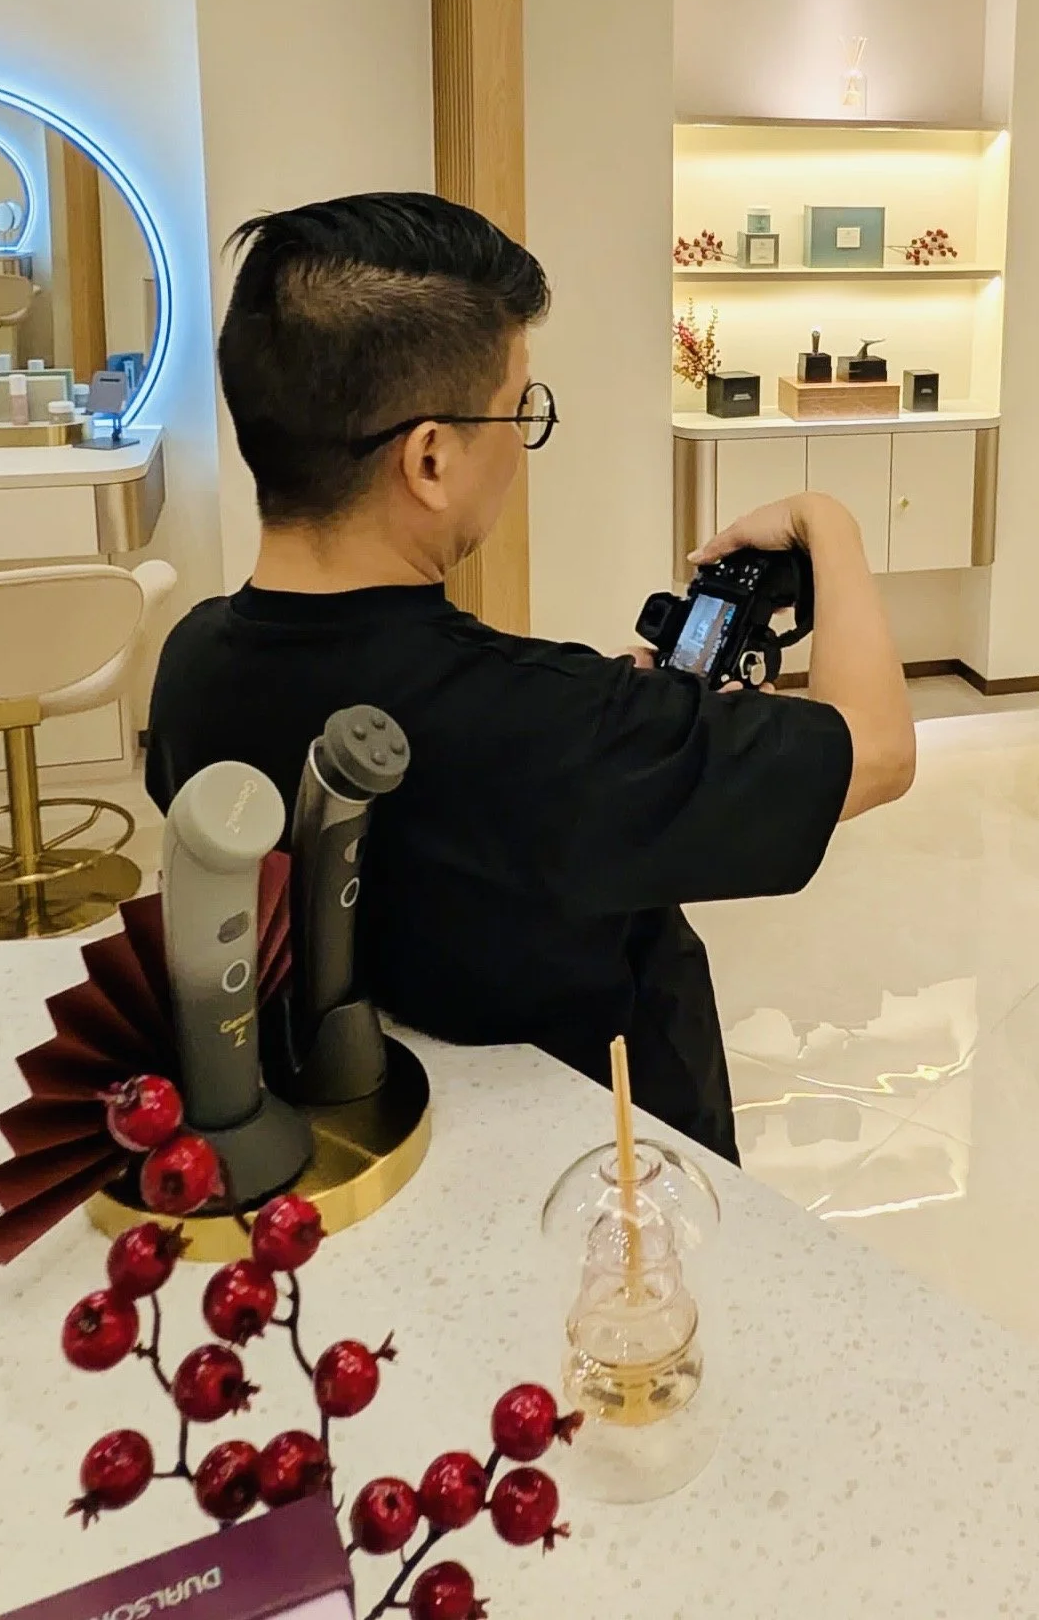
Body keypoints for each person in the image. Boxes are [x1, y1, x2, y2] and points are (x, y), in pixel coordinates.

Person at [145, 193, 915, 1161]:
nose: (518, 442)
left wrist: (624, 716)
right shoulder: (554, 728)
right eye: (517, 410)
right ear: (429, 456)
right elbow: (875, 748)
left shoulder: (188, 668)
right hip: (601, 1185)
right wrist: (827, 521)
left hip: (356, 1160)